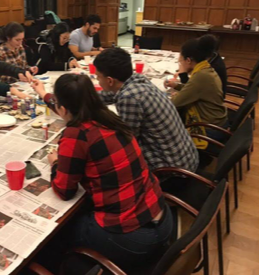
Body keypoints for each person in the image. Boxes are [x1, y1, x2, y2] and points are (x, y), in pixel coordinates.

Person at [31, 74, 172, 270]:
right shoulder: (109, 117)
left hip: (132, 237)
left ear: (63, 109)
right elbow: (68, 106)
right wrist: (43, 94)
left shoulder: (77, 134)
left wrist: (55, 162)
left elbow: (64, 190)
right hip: (162, 219)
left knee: (53, 234)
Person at [93, 48, 199, 173]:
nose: (98, 80)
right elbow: (111, 94)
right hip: (186, 157)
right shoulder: (136, 79)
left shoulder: (129, 97)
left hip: (172, 169)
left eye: (98, 77)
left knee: (103, 162)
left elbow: (127, 141)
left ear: (110, 80)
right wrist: (84, 96)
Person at [165, 38, 228, 142]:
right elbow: (193, 89)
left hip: (209, 129)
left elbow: (175, 103)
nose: (180, 64)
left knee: (167, 129)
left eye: (180, 61)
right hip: (217, 122)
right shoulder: (205, 69)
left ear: (188, 60)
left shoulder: (201, 76)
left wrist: (182, 73)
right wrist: (176, 86)